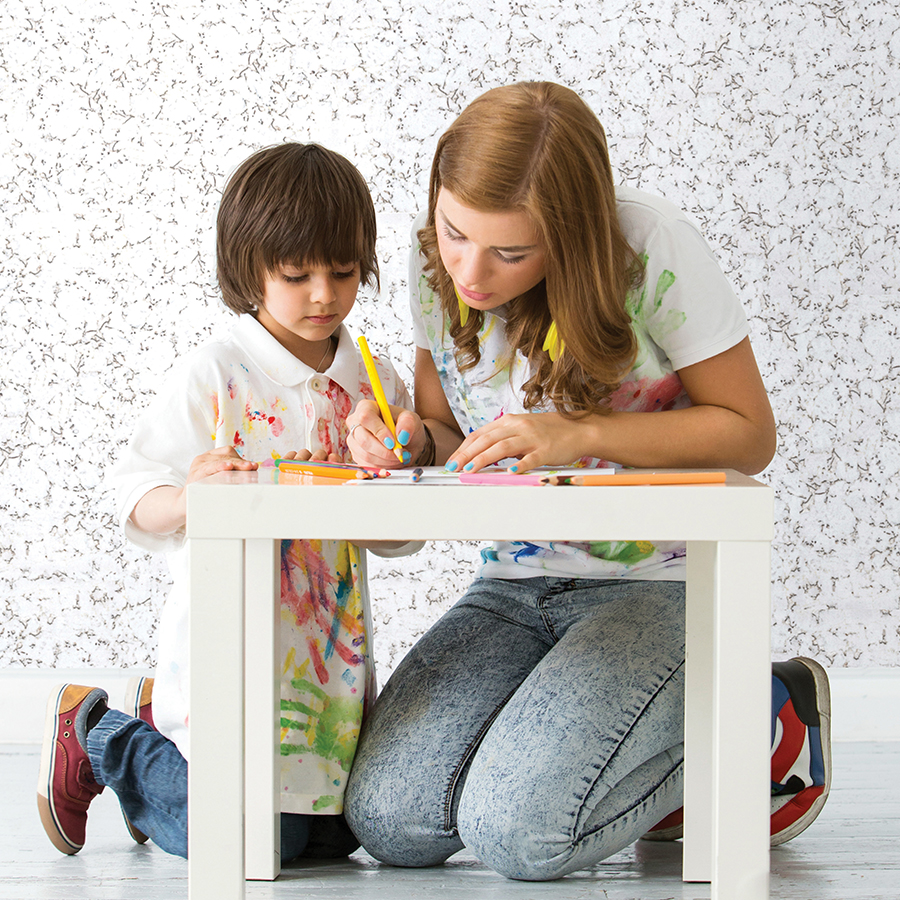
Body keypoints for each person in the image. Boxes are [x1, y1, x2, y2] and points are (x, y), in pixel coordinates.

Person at [342, 82, 832, 880]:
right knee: (391, 822)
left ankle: (764, 713)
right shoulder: (435, 263)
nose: (470, 272)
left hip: (660, 585)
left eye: (511, 254)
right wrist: (408, 442)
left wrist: (582, 433)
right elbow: (447, 436)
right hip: (512, 585)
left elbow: (749, 434)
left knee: (518, 836)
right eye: (456, 232)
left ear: (569, 239)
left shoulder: (651, 248)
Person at [37, 142, 419, 861]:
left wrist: (392, 473)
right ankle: (98, 734)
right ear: (249, 269)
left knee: (334, 840)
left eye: (343, 272)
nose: (324, 296)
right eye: (296, 275)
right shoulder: (217, 372)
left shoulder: (373, 380)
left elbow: (400, 540)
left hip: (328, 672)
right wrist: (193, 498)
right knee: (253, 844)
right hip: (227, 658)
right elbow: (133, 496)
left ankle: (157, 745)